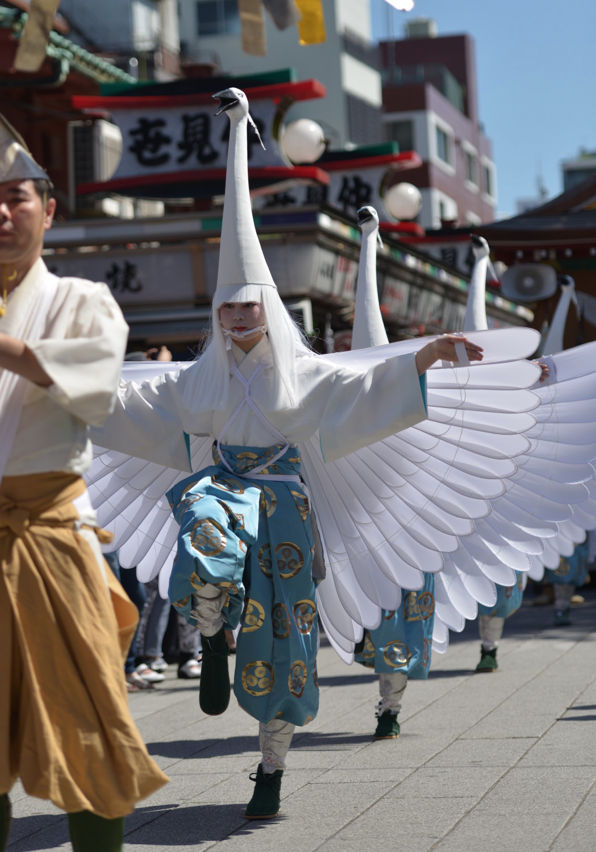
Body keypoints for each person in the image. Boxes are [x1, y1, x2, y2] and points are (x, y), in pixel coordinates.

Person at [98, 88, 482, 819]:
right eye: (228, 307)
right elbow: (127, 405)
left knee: (286, 638)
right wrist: (62, 387)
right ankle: (210, 635)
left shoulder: (306, 375)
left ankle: (271, 759)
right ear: (215, 313)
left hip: (285, 508)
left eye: (250, 306)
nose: (239, 317)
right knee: (204, 534)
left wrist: (427, 355)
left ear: (269, 310)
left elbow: (366, 386)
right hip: (222, 492)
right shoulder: (195, 379)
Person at [0, 103, 166, 851]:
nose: (1, 212)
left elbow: (96, 387)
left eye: (17, 198)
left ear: (48, 208)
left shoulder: (84, 301)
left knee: (88, 722)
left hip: (50, 529)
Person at [353, 574, 435, 739]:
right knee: (386, 637)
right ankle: (390, 707)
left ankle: (390, 708)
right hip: (377, 569)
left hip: (412, 569)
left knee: (400, 643)